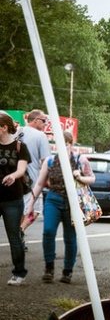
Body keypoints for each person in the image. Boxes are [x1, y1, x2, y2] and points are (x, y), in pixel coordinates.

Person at [27, 131, 95, 284]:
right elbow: (39, 184)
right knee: (48, 230)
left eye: (66, 143)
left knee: (70, 237)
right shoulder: (50, 161)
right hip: (53, 198)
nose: (63, 146)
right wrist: (31, 203)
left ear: (71, 144)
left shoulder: (80, 160)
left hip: (73, 202)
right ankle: (49, 267)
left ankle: (67, 271)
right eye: (60, 143)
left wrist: (80, 176)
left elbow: (92, 178)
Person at [0, 111, 31, 286]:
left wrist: (13, 176)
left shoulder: (20, 147)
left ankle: (19, 273)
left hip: (13, 199)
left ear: (4, 128)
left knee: (14, 237)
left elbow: (21, 170)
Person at [18, 110, 52, 250]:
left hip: (13, 178)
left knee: (19, 210)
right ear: (36, 120)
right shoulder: (40, 136)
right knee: (34, 212)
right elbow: (46, 161)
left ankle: (20, 239)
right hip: (31, 181)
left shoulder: (17, 132)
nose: (45, 124)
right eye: (44, 121)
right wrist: (49, 180)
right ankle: (20, 230)